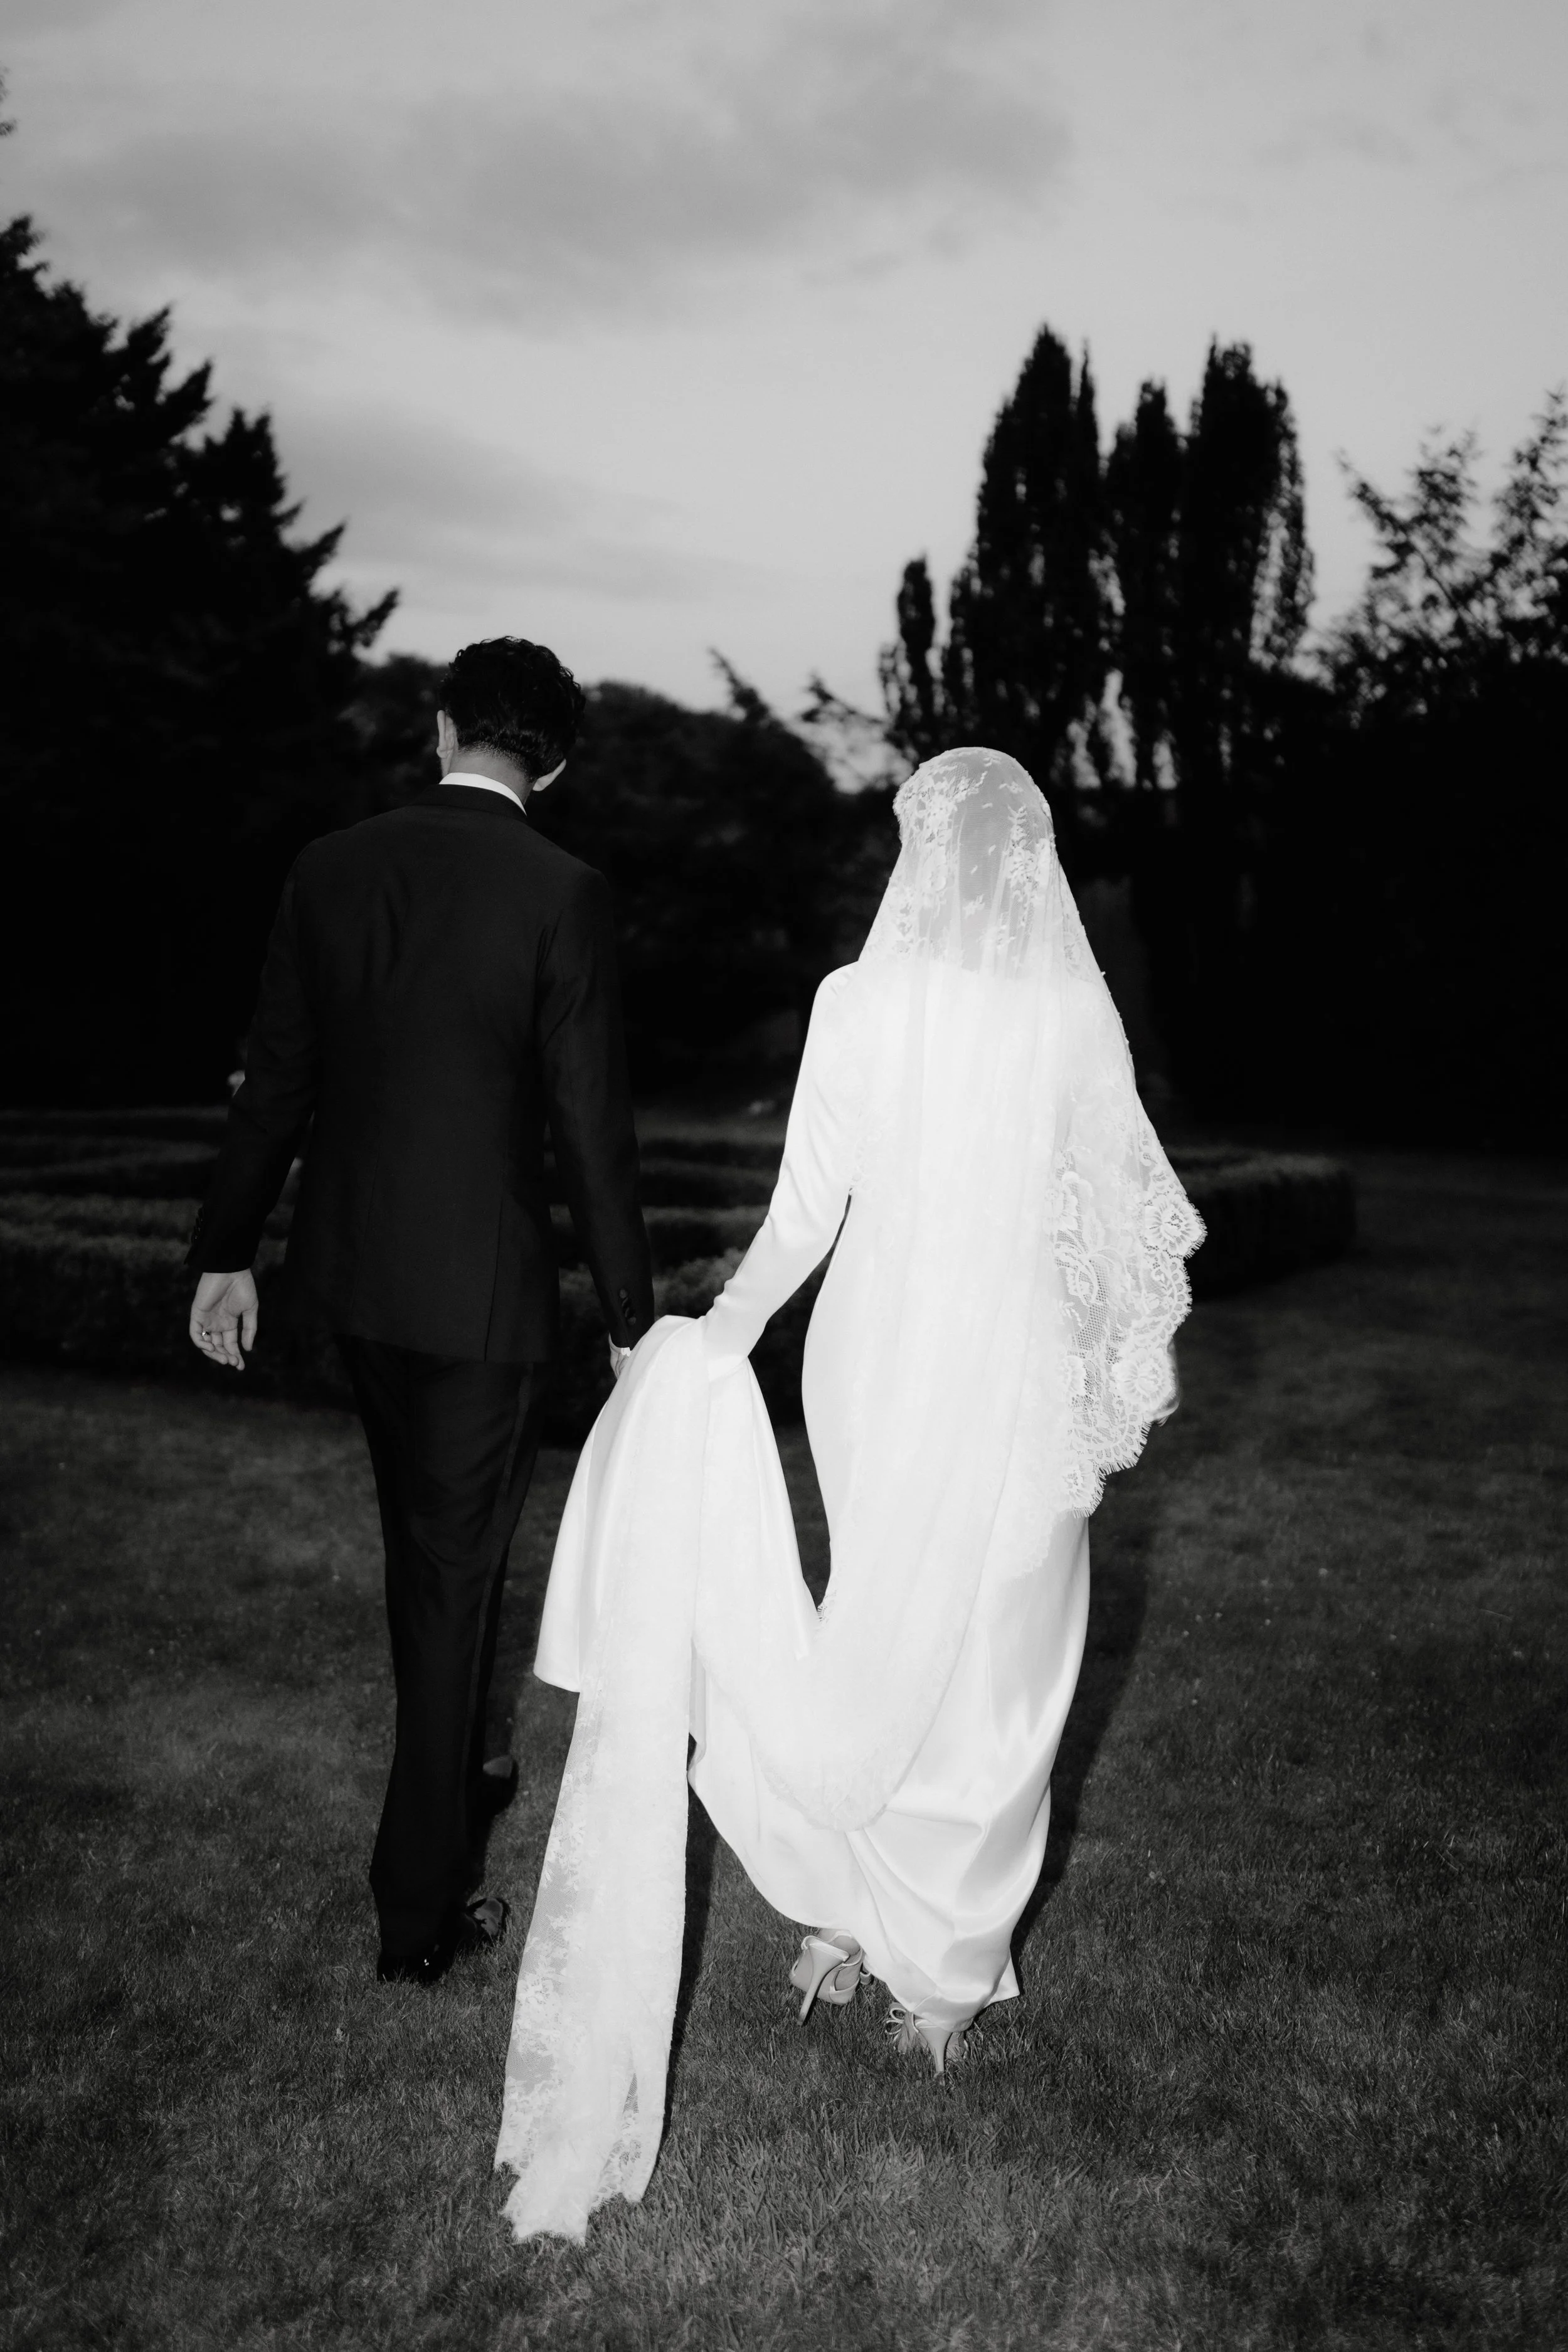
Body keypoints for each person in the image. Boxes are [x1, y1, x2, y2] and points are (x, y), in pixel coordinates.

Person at [494, 745, 1204, 2242]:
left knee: (890, 1629)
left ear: (921, 854)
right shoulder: (1067, 1008)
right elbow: (1111, 1210)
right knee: (1000, 1663)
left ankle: (852, 1924)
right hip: (987, 1362)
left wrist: (730, 1326)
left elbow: (804, 1210)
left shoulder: (853, 1001)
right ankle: (934, 1970)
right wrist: (1085, 1365)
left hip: (877, 1358)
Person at [185, 636, 653, 1989]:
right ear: (552, 761)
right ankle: (419, 1908)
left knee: (428, 1555)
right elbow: (589, 1127)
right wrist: (630, 1313)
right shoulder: (563, 890)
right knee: (450, 1578)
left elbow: (274, 1079)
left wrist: (227, 1254)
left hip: (354, 1284)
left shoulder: (331, 867)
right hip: (481, 1300)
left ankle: (469, 1772)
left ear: (441, 727)